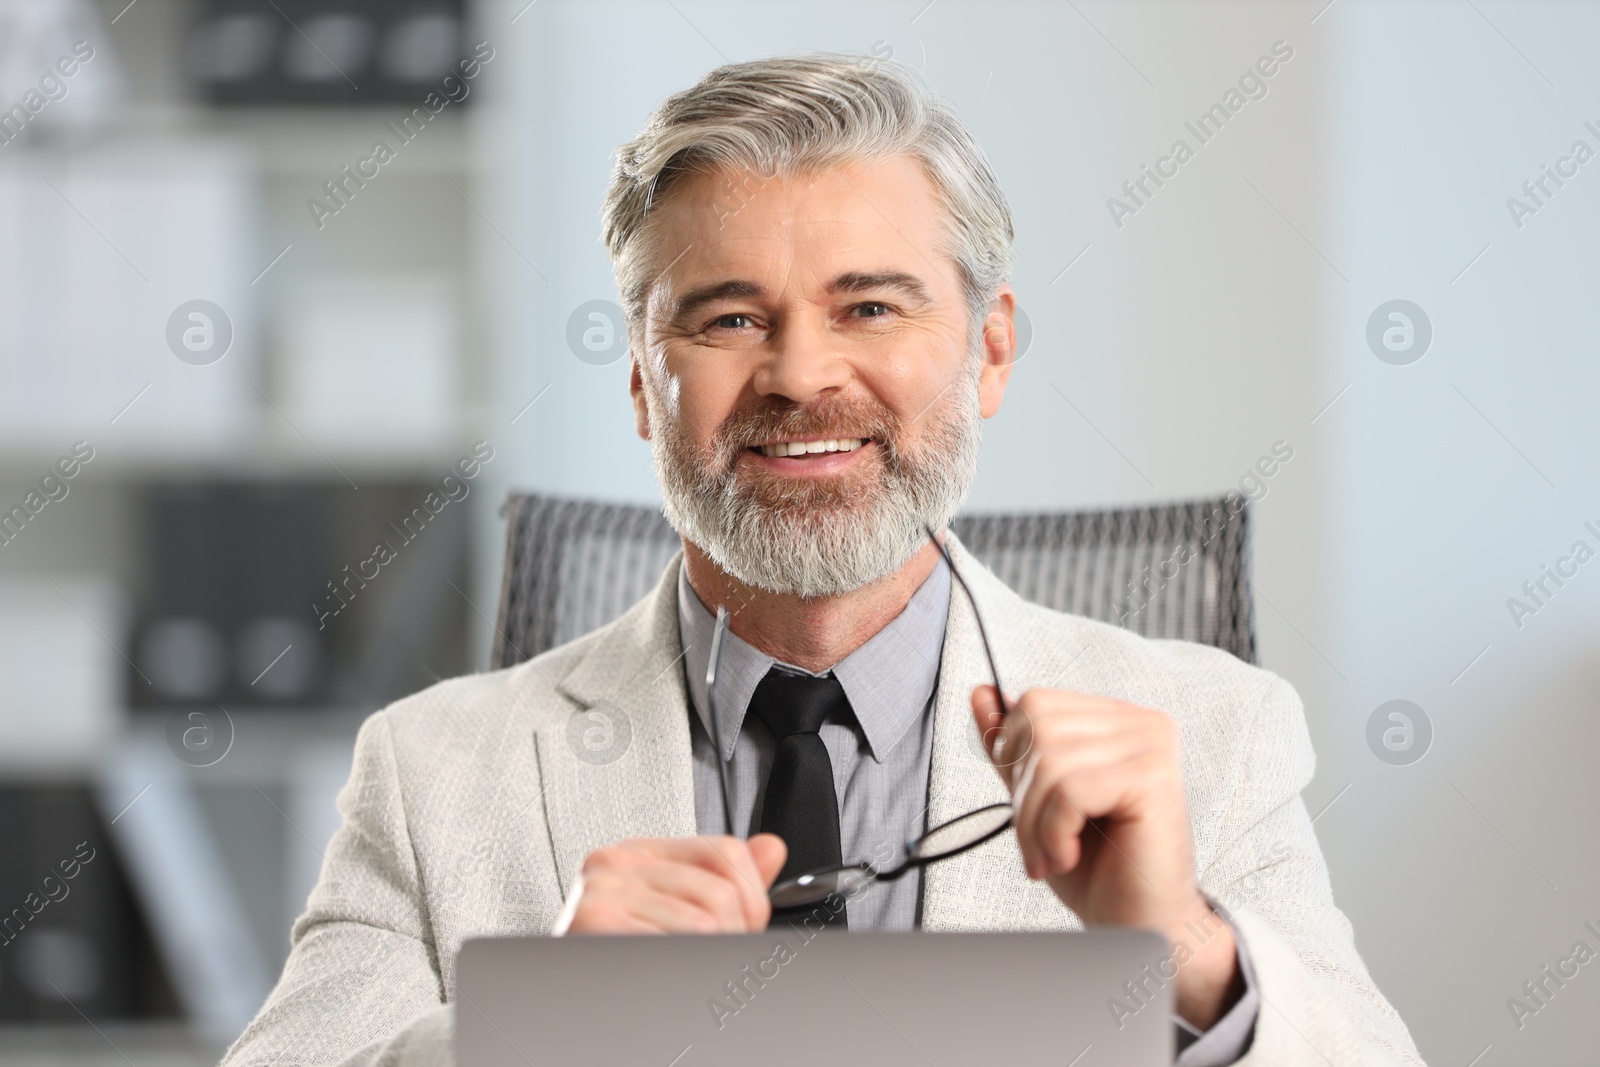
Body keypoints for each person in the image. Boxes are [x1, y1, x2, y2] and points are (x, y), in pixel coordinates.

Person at [222, 53, 1422, 1066]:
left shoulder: (1212, 734)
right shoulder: (430, 773)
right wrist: (534, 1025)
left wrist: (1188, 952)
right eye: (729, 317)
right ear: (645, 381)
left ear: (989, 351)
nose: (799, 376)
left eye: (870, 308)